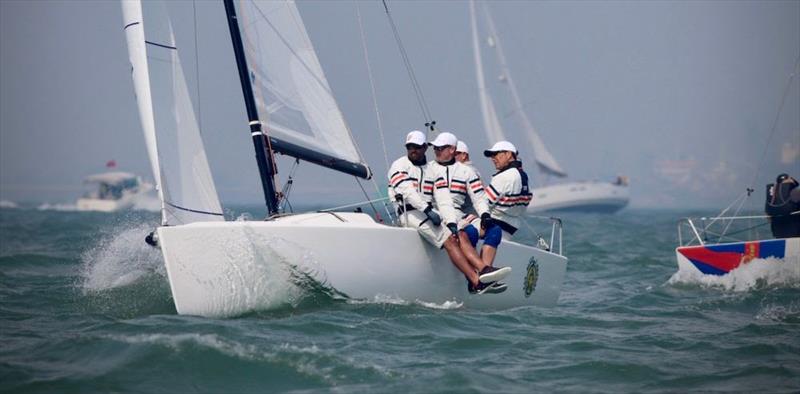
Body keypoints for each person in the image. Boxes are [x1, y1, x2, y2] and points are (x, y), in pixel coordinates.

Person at [388, 131, 508, 294]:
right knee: (454, 239)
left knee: (461, 233)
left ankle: (482, 275)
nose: (413, 150)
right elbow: (408, 192)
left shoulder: (435, 170)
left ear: (424, 147)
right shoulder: (399, 165)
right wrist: (428, 210)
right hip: (409, 213)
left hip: (431, 213)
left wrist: (452, 222)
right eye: (409, 147)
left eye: (417, 146)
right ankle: (479, 277)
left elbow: (444, 199)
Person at [428, 132, 511, 284]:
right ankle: (481, 274)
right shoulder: (428, 169)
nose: (437, 151)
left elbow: (479, 197)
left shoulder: (466, 171)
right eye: (435, 148)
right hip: (436, 213)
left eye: (441, 148)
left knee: (494, 229)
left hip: (459, 214)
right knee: (467, 233)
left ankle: (485, 274)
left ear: (452, 149)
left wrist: (485, 214)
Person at [460, 141, 533, 269]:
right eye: (491, 155)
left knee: (458, 223)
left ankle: (476, 269)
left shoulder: (504, 177)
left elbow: (484, 204)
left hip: (493, 225)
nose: (493, 158)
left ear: (509, 154)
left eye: (496, 154)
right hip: (510, 228)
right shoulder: (523, 176)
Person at [765, 173, 800, 238]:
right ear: (790, 180)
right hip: (796, 232)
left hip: (778, 233)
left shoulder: (772, 196)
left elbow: (768, 216)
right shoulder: (796, 192)